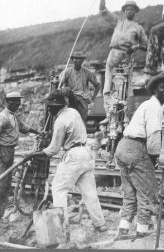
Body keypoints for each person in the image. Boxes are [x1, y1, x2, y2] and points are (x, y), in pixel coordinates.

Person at [27, 90, 107, 232]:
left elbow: (53, 149)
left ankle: (61, 228)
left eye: (50, 106)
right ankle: (100, 224)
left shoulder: (60, 120)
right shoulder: (73, 112)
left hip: (73, 156)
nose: (48, 109)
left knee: (59, 189)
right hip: (86, 153)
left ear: (56, 105)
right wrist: (51, 134)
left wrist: (35, 154)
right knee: (90, 193)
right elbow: (70, 131)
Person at [114, 73, 164, 238]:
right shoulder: (155, 107)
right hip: (136, 148)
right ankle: (142, 232)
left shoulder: (147, 105)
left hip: (123, 147)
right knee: (147, 192)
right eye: (163, 87)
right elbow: (154, 140)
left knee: (129, 193)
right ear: (155, 89)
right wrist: (160, 159)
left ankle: (123, 229)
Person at [0, 91, 40, 226]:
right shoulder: (3, 117)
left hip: (9, 151)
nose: (18, 104)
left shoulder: (13, 116)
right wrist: (1, 154)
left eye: (19, 101)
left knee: (6, 185)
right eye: (15, 101)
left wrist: (39, 132)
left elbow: (24, 128)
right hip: (1, 152)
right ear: (8, 102)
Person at [99, 0, 148, 115]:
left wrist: (137, 46)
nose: (129, 11)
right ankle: (109, 113)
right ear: (124, 11)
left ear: (135, 11)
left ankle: (126, 114)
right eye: (127, 9)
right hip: (113, 54)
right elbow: (102, 10)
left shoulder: (138, 28)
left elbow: (147, 45)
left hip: (127, 56)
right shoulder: (117, 22)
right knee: (108, 82)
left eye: (132, 9)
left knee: (126, 85)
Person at [58, 51, 101, 123]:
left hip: (83, 100)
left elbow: (97, 85)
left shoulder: (87, 72)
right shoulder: (67, 72)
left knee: (81, 122)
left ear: (82, 61)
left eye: (80, 60)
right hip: (70, 99)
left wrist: (93, 98)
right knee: (69, 121)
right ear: (73, 60)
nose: (77, 61)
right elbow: (59, 84)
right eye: (76, 59)